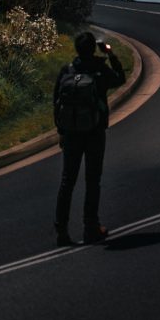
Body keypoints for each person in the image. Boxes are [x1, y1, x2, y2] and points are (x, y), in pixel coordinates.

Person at [54, 31, 125, 246]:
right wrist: (111, 55)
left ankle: (62, 231)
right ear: (94, 48)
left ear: (76, 49)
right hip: (94, 133)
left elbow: (56, 103)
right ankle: (91, 227)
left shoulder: (66, 71)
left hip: (71, 134)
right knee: (92, 181)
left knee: (67, 181)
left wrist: (62, 131)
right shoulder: (99, 70)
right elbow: (120, 78)